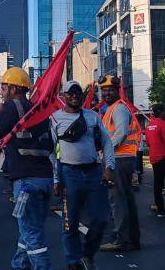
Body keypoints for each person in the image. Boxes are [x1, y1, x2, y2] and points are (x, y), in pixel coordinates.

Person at [0, 68, 54, 270]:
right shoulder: (38, 109)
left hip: (26, 181)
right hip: (44, 179)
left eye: (4, 87)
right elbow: (50, 145)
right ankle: (19, 265)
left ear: (15, 88)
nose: (1, 91)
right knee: (28, 231)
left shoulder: (12, 106)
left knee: (33, 236)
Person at [51, 80, 115, 270]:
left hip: (94, 173)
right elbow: (51, 152)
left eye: (78, 92)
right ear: (63, 96)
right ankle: (73, 262)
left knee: (100, 219)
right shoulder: (54, 119)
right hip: (68, 174)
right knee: (70, 223)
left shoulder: (93, 117)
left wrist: (109, 167)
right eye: (70, 92)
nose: (74, 95)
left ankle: (87, 255)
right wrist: (56, 178)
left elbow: (107, 143)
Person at [97, 75, 141, 252]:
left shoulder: (119, 109)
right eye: (104, 90)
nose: (106, 93)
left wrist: (106, 150)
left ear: (117, 90)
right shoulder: (111, 109)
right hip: (120, 158)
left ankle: (121, 239)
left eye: (110, 90)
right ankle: (131, 239)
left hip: (120, 159)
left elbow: (121, 133)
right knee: (125, 200)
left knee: (118, 201)